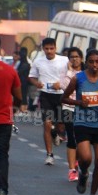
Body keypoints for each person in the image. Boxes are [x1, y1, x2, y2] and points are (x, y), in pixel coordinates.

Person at [62, 49, 98, 195]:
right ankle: (84, 173)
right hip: (82, 123)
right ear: (87, 62)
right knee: (86, 158)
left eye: (97, 62)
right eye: (91, 62)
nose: (94, 65)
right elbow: (63, 98)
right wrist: (79, 103)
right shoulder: (78, 78)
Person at [28, 37, 68, 166]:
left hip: (61, 95)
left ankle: (56, 132)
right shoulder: (38, 62)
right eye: (46, 49)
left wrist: (61, 84)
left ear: (56, 48)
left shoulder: (64, 60)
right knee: (47, 124)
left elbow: (71, 76)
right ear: (43, 49)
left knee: (61, 124)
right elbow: (31, 77)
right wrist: (37, 83)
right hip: (46, 95)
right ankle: (49, 155)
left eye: (52, 48)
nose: (49, 51)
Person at [0, 35, 23, 195]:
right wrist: (13, 108)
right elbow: (19, 97)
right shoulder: (10, 70)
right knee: (1, 156)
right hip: (3, 121)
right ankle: (1, 191)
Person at [60, 47, 84, 182]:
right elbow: (64, 86)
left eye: (77, 56)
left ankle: (77, 160)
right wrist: (69, 71)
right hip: (68, 107)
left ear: (81, 58)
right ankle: (72, 170)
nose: (74, 59)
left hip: (82, 109)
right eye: (72, 57)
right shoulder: (66, 73)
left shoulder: (86, 73)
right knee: (71, 136)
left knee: (81, 139)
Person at [15, 48, 30, 114]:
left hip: (23, 82)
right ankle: (22, 108)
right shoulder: (24, 63)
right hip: (23, 82)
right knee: (22, 95)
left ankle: (23, 108)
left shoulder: (24, 64)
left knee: (23, 95)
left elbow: (18, 73)